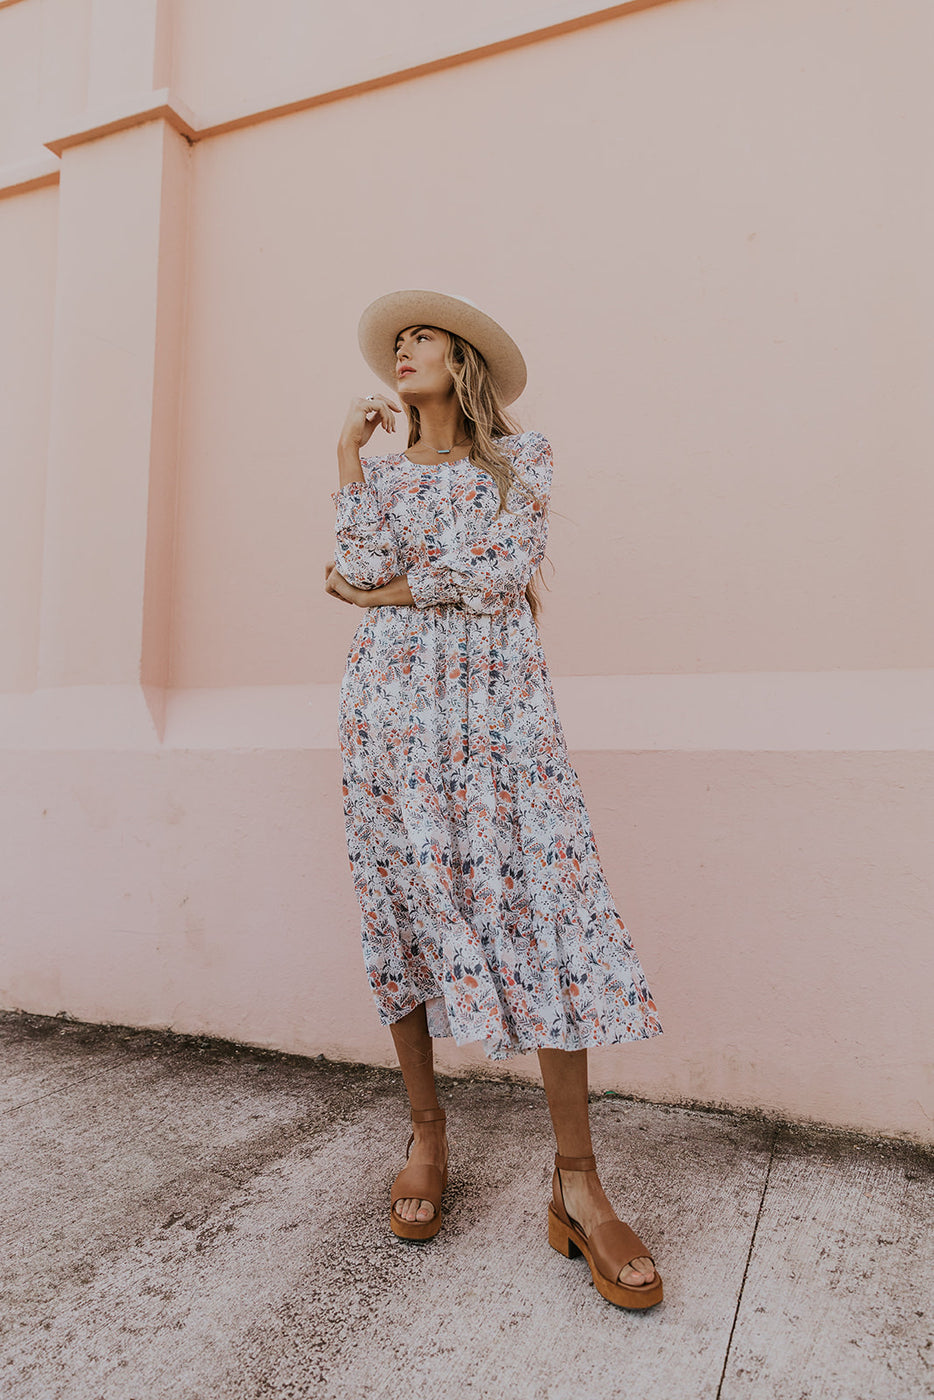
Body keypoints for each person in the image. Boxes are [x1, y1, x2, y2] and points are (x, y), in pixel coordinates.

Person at [324, 290, 664, 1309]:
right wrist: (347, 461)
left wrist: (382, 591)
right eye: (395, 341)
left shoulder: (523, 461)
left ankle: (577, 1184)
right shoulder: (378, 478)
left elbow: (498, 571)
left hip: (501, 714)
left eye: (420, 335)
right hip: (388, 715)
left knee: (549, 915)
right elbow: (356, 562)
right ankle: (427, 1134)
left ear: (462, 357)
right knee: (401, 916)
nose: (403, 349)